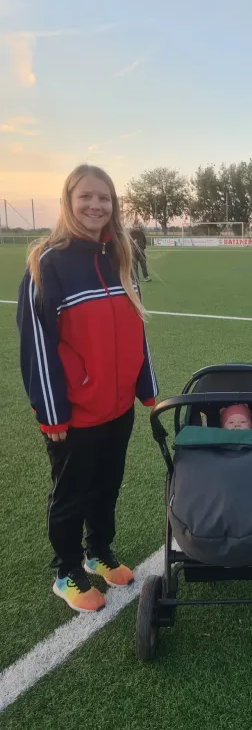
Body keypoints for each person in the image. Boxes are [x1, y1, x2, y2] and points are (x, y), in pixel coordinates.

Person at [17, 164, 159, 613]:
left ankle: (99, 552)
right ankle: (67, 572)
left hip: (118, 408)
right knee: (71, 493)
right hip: (74, 415)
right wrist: (51, 412)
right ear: (68, 201)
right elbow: (37, 344)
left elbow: (137, 327)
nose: (97, 205)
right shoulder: (48, 263)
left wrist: (147, 388)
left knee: (107, 485)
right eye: (86, 197)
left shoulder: (120, 254)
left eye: (105, 198)